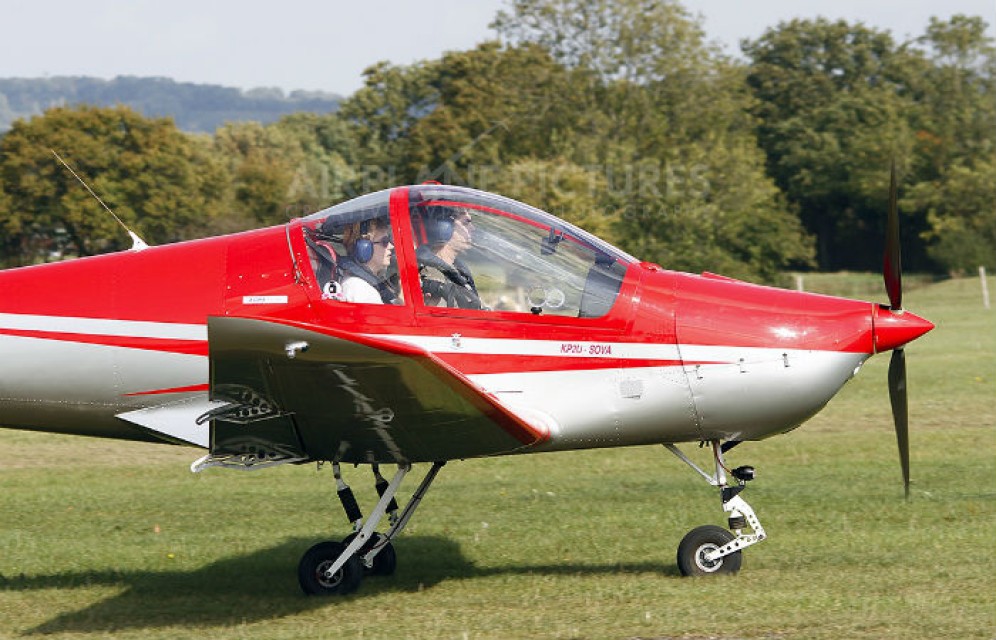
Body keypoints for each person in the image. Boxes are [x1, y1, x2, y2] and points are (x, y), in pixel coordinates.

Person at [416, 206, 483, 309]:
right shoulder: (434, 279)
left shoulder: (457, 271)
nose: (472, 228)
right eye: (466, 223)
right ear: (443, 227)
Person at [339, 217, 401, 304]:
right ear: (364, 247)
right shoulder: (361, 290)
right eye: (385, 241)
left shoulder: (372, 282)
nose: (391, 246)